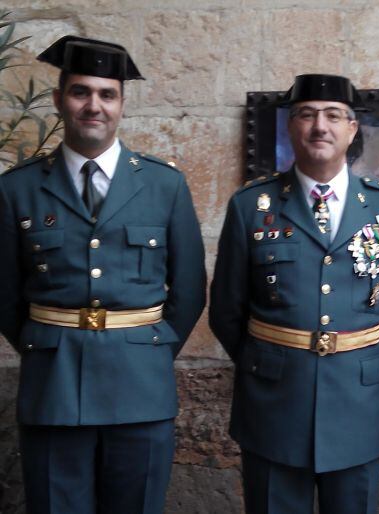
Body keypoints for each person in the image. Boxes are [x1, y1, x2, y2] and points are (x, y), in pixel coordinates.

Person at [0, 36, 206, 514]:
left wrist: (148, 352)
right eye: (80, 92)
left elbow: (191, 290)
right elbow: (5, 294)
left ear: (121, 105)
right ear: (59, 100)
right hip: (53, 385)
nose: (93, 106)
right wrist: (44, 345)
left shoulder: (164, 184)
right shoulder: (18, 189)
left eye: (106, 95)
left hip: (142, 388)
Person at [209, 73, 379, 514]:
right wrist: (268, 364)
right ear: (290, 126)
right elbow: (226, 310)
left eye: (333, 116)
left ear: (352, 129)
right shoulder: (251, 206)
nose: (320, 126)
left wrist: (358, 359)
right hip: (274, 404)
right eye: (306, 115)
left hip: (357, 404)